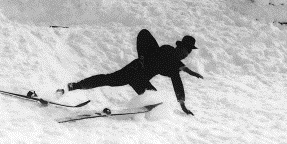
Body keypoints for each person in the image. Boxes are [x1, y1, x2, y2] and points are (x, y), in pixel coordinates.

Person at [60, 30, 200, 116]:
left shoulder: (173, 67)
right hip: (133, 70)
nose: (187, 54)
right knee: (108, 79)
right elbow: (144, 33)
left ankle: (143, 112)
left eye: (188, 53)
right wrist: (142, 56)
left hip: (140, 80)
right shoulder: (167, 50)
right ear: (180, 47)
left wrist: (183, 105)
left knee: (156, 100)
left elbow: (177, 82)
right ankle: (75, 86)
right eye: (186, 51)